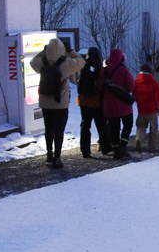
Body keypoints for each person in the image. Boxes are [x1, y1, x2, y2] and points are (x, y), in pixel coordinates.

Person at [30, 38, 85, 168]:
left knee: (48, 129)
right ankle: (57, 157)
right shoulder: (65, 63)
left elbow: (32, 62)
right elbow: (81, 62)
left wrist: (43, 53)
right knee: (59, 131)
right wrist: (70, 51)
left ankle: (49, 153)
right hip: (60, 103)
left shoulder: (41, 62)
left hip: (45, 103)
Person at [99, 48, 135, 158]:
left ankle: (116, 149)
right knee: (128, 123)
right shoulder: (123, 70)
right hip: (123, 104)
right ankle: (123, 145)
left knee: (113, 127)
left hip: (109, 105)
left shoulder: (104, 71)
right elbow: (130, 86)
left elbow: (100, 87)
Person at [77, 47, 111, 158]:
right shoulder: (98, 67)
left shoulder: (84, 67)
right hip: (96, 101)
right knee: (101, 125)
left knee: (85, 125)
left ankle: (85, 150)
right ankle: (105, 147)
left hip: (83, 101)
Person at [133, 63, 159, 153]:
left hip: (141, 109)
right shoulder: (154, 82)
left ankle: (139, 138)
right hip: (152, 110)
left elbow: (134, 94)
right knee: (154, 129)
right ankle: (153, 147)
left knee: (141, 126)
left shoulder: (136, 82)